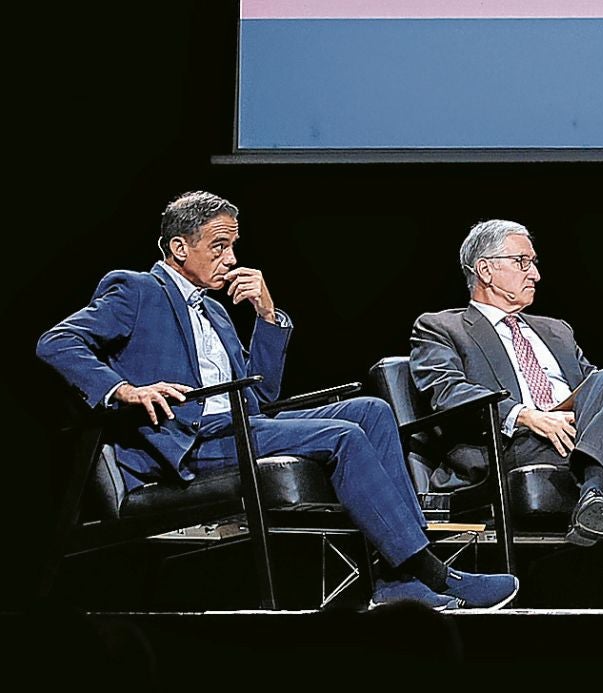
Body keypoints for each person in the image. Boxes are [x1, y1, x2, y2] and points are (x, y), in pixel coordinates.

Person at [36, 191, 519, 610]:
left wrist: (268, 316)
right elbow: (57, 342)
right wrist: (125, 389)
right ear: (180, 248)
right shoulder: (137, 290)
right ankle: (429, 572)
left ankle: (397, 580)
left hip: (238, 427)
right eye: (218, 246)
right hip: (184, 440)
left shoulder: (219, 315)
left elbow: (262, 395)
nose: (230, 258)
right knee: (343, 436)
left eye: (233, 246)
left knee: (370, 410)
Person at [408, 219, 603, 608]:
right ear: (485, 269)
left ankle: (594, 493)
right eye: (522, 262)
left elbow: (596, 387)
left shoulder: (557, 330)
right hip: (510, 446)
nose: (535, 273)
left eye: (533, 262)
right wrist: (525, 415)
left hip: (578, 436)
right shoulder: (441, 327)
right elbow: (446, 391)